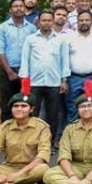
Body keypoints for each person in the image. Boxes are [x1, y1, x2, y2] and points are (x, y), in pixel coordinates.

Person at [40, 82, 92, 184]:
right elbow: (64, 156)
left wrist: (88, 178)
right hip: (76, 167)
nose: (86, 109)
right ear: (78, 110)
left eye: (90, 105)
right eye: (82, 106)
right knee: (48, 175)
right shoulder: (69, 129)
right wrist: (72, 176)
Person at [19, 10, 70, 144]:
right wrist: (25, 84)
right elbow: (25, 61)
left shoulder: (60, 40)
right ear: (39, 22)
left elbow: (65, 62)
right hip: (34, 83)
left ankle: (49, 142)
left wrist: (64, 80)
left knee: (53, 114)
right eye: (43, 20)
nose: (46, 23)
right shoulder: (30, 39)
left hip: (54, 83)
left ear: (53, 21)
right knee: (32, 113)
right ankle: (31, 141)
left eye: (49, 20)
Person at [0, 0, 36, 123]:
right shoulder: (2, 28)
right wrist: (9, 72)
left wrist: (28, 73)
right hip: (8, 72)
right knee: (8, 105)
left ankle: (25, 136)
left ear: (25, 9)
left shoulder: (32, 29)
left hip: (27, 73)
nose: (18, 8)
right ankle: (5, 136)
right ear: (10, 10)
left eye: (21, 6)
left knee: (27, 103)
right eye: (15, 6)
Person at [65, 10, 92, 125]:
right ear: (77, 21)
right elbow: (65, 59)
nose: (84, 22)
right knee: (72, 107)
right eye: (81, 20)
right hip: (74, 78)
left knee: (91, 106)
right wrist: (64, 79)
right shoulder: (69, 37)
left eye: (87, 20)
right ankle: (72, 135)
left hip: (91, 78)